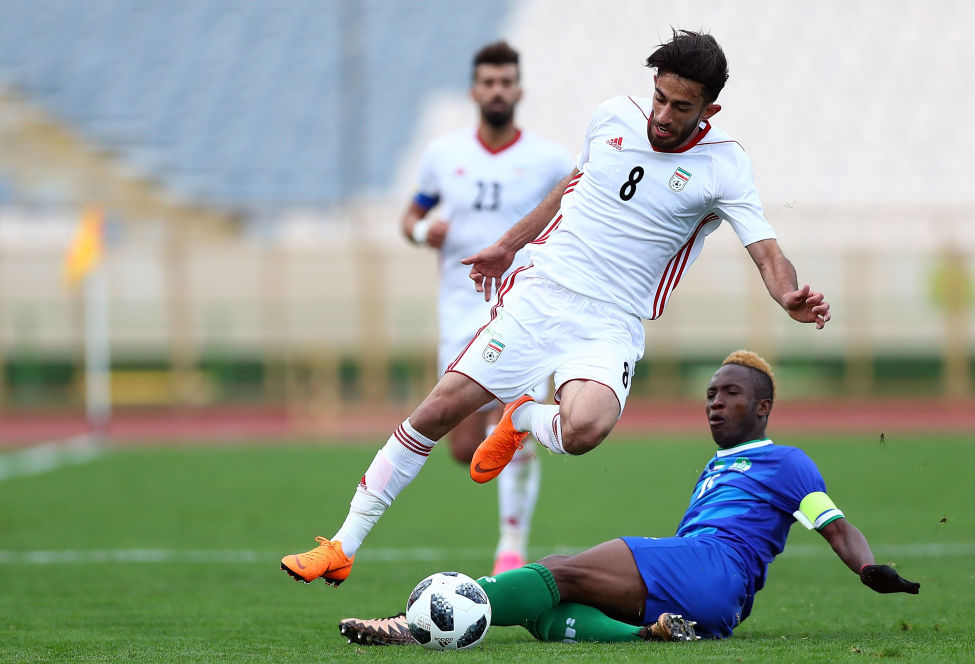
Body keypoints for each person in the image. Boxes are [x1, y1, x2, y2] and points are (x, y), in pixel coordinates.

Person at [280, 29, 833, 588]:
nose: (662, 115)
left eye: (680, 106)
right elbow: (571, 188)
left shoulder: (725, 167)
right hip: (544, 293)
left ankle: (519, 417)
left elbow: (766, 251)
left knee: (585, 430)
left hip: (613, 319)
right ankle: (342, 545)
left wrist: (787, 295)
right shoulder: (613, 117)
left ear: (708, 109)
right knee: (438, 412)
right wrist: (508, 244)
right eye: (660, 97)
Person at [336, 350, 921, 646]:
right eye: (711, 393)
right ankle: (647, 635)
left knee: (558, 569)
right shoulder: (719, 465)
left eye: (731, 394)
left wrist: (868, 567)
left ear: (762, 407)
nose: (715, 402)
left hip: (710, 565)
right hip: (716, 598)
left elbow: (834, 525)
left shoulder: (785, 460)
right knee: (547, 608)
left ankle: (413, 626)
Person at [399, 40, 573, 575]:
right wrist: (428, 230)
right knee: (463, 449)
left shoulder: (549, 160)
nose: (498, 90)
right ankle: (507, 515)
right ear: (475, 90)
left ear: (518, 89)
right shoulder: (442, 156)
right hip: (459, 311)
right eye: (488, 82)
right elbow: (409, 218)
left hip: (522, 308)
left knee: (514, 423)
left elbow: (577, 215)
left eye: (506, 82)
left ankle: (510, 545)